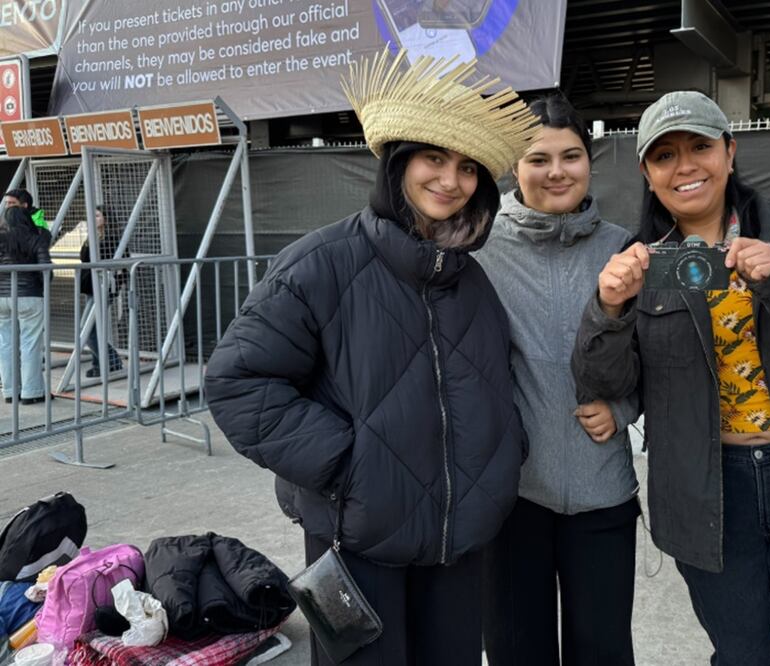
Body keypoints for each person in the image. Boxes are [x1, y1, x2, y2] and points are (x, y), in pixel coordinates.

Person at [204, 48, 536, 666]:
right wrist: (349, 465)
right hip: (354, 545)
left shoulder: (473, 282)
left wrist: (500, 461)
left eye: (467, 167)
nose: (450, 180)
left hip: (456, 545)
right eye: (433, 158)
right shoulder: (320, 264)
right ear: (399, 163)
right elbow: (237, 382)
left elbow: (495, 385)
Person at [572, 90, 770, 666]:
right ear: (647, 172)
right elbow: (608, 382)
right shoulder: (641, 260)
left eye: (700, 146)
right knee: (740, 654)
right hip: (708, 492)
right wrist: (609, 309)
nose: (686, 165)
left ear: (730, 151)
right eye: (664, 155)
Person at [475, 95, 640, 666]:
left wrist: (622, 410)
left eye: (571, 155)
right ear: (513, 168)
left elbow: (657, 359)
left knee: (604, 650)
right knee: (518, 649)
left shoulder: (624, 248)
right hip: (512, 495)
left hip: (603, 490)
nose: (556, 171)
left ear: (590, 161)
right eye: (537, 159)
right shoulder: (479, 247)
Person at [0, 206, 52, 404]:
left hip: (1, 296)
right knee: (30, 343)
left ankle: (10, 391)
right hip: (29, 294)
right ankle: (32, 392)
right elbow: (45, 268)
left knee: (5, 344)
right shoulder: (35, 238)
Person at [79, 206, 125, 378]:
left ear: (106, 218)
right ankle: (98, 364)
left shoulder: (113, 239)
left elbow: (122, 264)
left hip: (104, 288)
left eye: (97, 215)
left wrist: (114, 286)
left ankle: (112, 362)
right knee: (93, 328)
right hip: (91, 288)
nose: (94, 218)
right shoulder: (92, 238)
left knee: (87, 329)